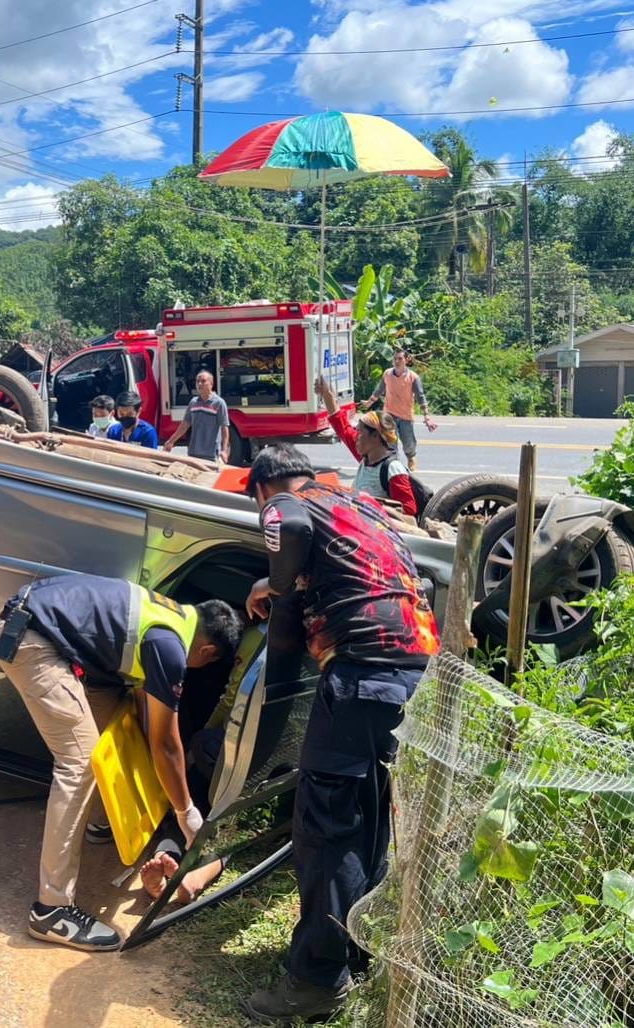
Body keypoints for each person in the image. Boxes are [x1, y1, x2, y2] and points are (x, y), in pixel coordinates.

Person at [240, 444, 440, 1023]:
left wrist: (277, 588)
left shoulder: (289, 505)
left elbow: (287, 519)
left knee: (327, 831)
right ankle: (358, 950)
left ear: (262, 487)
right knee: (370, 822)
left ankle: (316, 984)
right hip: (415, 674)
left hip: (361, 675)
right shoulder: (362, 506)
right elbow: (418, 577)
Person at [0, 573, 243, 951]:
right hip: (33, 641)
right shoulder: (171, 645)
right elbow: (167, 743)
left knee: (108, 719)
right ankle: (52, 909)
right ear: (208, 652)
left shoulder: (168, 614)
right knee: (78, 764)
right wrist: (185, 812)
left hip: (49, 634)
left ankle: (97, 823)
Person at [316, 377, 417, 519]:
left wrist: (371, 507)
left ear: (375, 436)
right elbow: (342, 426)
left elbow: (408, 510)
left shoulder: (392, 469)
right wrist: (326, 394)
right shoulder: (367, 457)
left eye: (360, 432)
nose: (356, 436)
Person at [362, 350, 437, 471]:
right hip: (389, 415)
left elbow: (420, 396)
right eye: (395, 359)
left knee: (408, 443)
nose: (396, 361)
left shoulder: (413, 377)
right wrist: (369, 402)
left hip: (405, 416)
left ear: (406, 360)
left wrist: (426, 416)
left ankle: (411, 457)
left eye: (400, 359)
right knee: (391, 442)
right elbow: (379, 390)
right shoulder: (387, 374)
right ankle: (393, 463)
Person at [163, 370, 229, 462]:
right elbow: (184, 425)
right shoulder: (193, 402)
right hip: (193, 453)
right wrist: (171, 441)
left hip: (211, 454)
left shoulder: (219, 403)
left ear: (211, 383)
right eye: (197, 381)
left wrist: (224, 450)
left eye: (203, 381)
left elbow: (224, 427)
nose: (199, 384)